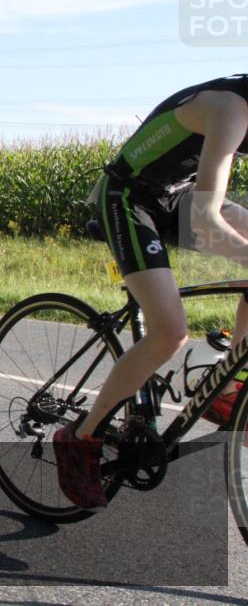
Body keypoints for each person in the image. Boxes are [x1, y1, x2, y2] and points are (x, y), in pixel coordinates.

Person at [54, 73, 248, 509]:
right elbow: (205, 221)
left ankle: (229, 388)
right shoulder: (231, 109)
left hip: (172, 195)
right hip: (128, 197)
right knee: (169, 331)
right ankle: (80, 436)